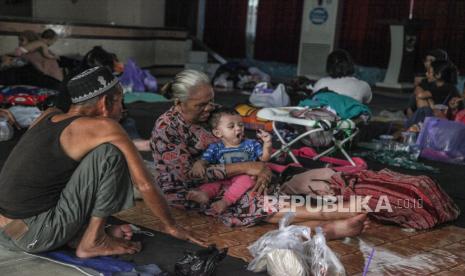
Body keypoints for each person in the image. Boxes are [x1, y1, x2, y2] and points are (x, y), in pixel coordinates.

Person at [0, 66, 199, 258]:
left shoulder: (47, 115)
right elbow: (144, 184)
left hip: (7, 230)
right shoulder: (106, 127)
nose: (122, 109)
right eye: (121, 101)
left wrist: (106, 225)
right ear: (105, 103)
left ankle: (85, 234)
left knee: (92, 156)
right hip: (34, 235)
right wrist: (172, 227)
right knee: (111, 152)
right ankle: (94, 240)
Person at [151, 69, 368, 238]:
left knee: (261, 189)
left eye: (210, 101)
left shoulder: (212, 114)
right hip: (192, 190)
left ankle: (332, 229)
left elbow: (238, 142)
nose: (209, 108)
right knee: (251, 201)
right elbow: (186, 176)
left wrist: (257, 162)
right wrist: (245, 167)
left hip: (232, 179)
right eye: (201, 105)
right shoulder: (167, 128)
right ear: (179, 103)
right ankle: (336, 214)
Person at [187, 107, 272, 214]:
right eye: (231, 126)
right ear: (218, 133)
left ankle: (226, 201)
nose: (238, 128)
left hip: (242, 177)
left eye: (240, 125)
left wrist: (267, 144)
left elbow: (264, 158)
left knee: (246, 180)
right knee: (212, 185)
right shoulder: (215, 147)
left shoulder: (252, 144)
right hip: (223, 178)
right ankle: (203, 195)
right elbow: (205, 159)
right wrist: (199, 163)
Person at [406, 60, 460, 128]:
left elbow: (420, 95)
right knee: (418, 94)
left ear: (438, 74)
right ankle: (414, 127)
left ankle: (412, 128)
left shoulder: (446, 87)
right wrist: (430, 102)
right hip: (439, 118)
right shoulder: (439, 86)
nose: (426, 74)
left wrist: (430, 102)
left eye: (429, 72)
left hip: (445, 123)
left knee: (423, 107)